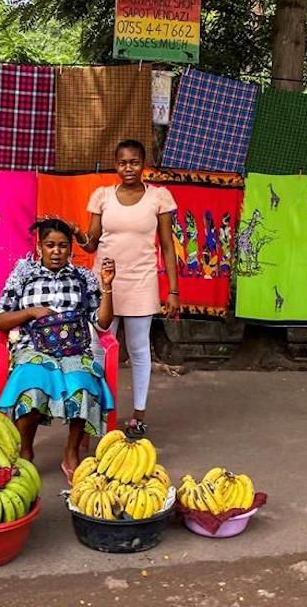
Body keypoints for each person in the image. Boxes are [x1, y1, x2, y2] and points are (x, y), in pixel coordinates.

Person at [0, 217, 116, 482]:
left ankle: (71, 453)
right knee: (32, 390)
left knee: (83, 387)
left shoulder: (83, 278)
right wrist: (30, 312)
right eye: (50, 245)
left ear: (71, 249)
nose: (56, 251)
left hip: (74, 351)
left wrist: (107, 286)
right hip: (33, 349)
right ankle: (25, 452)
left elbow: (102, 322)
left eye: (62, 246)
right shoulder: (23, 274)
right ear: (40, 246)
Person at [73, 139, 180, 437]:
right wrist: (77, 234)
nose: (128, 168)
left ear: (143, 164)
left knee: (138, 348)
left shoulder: (159, 197)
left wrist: (173, 290)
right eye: (123, 162)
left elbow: (168, 247)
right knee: (98, 348)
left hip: (142, 281)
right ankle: (95, 411)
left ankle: (138, 414)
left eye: (134, 162)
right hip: (105, 282)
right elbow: (91, 243)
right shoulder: (102, 196)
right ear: (115, 164)